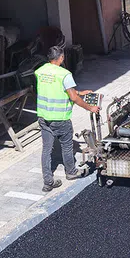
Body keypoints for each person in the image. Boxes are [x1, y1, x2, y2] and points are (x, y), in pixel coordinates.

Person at [35, 46, 99, 192]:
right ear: (61, 58)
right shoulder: (64, 74)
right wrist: (91, 108)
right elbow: (73, 98)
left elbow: (56, 88)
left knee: (46, 150)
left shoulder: (41, 71)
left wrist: (80, 92)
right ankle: (71, 172)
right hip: (60, 118)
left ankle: (47, 182)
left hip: (44, 117)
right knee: (67, 145)